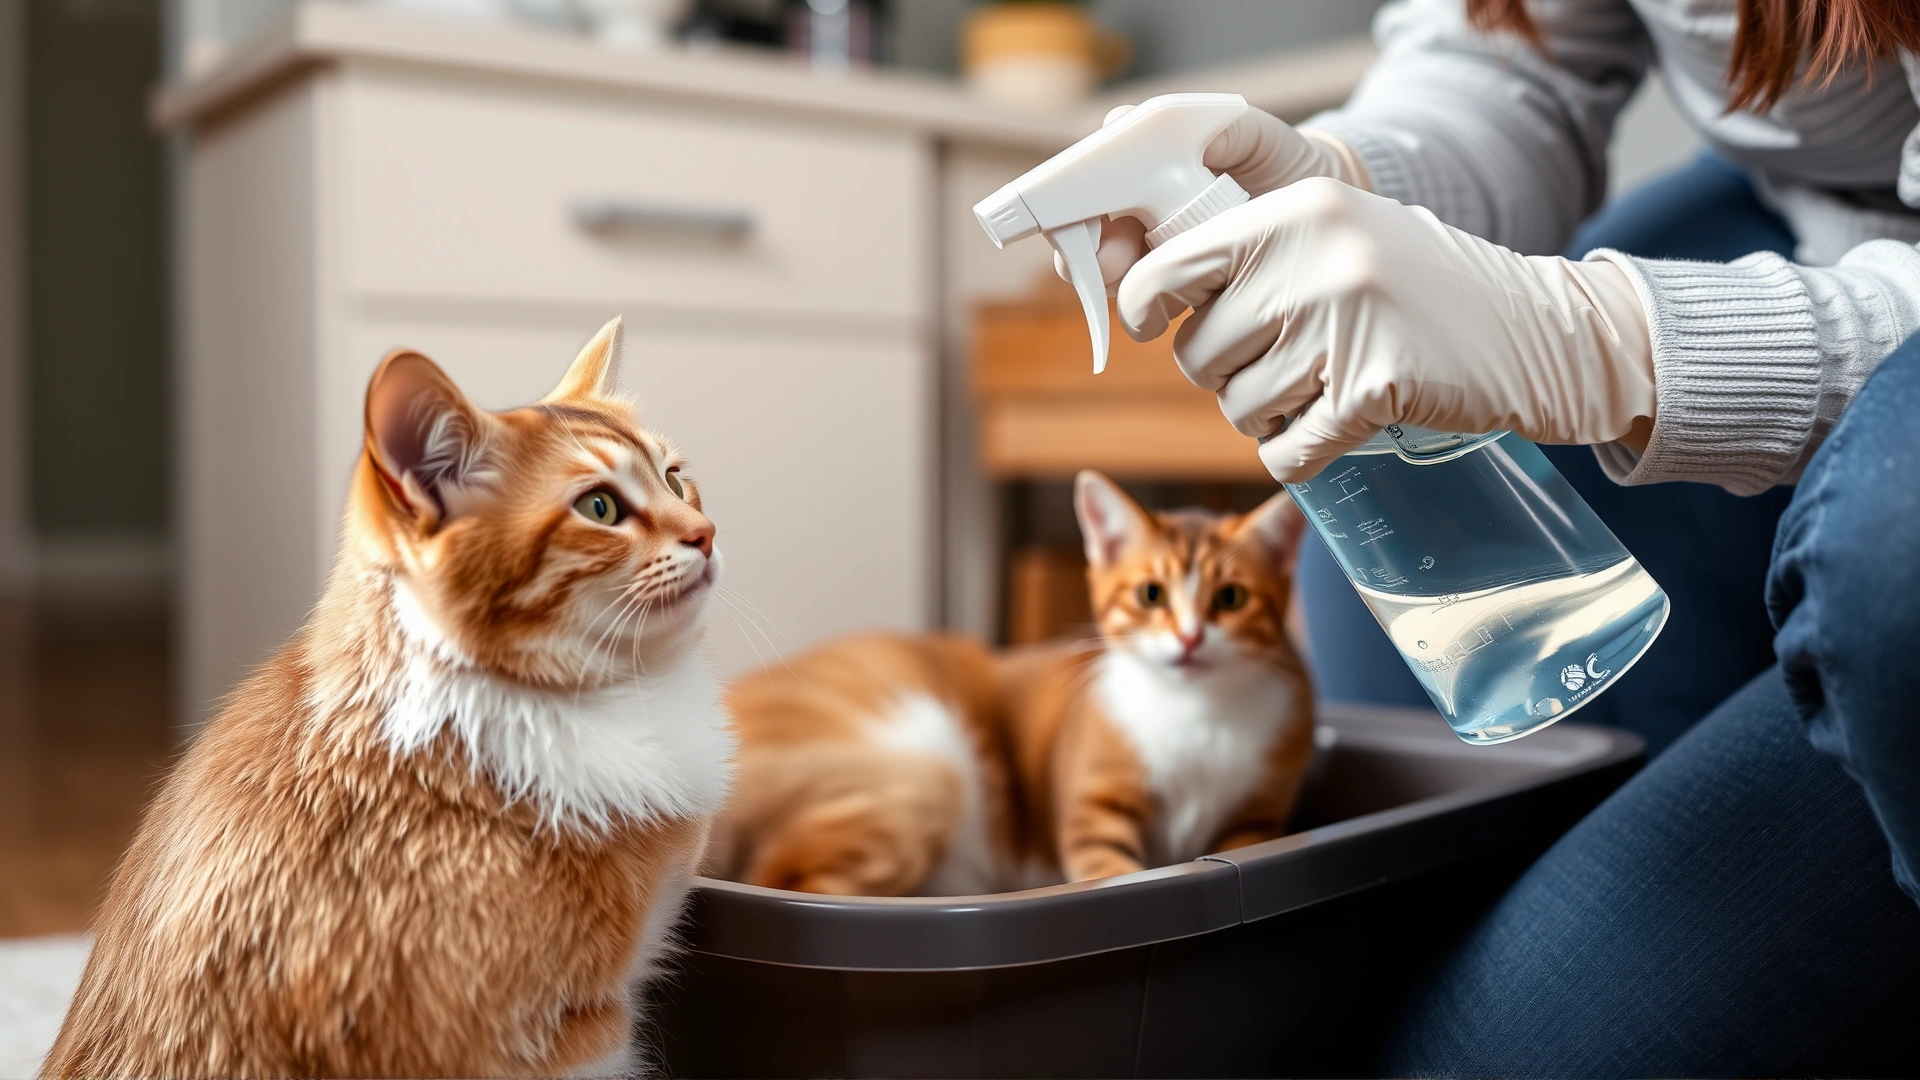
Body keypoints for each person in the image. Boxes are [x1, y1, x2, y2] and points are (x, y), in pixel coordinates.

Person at [1073, 0, 1920, 1073]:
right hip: (1828, 219)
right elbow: (1512, 63)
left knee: (1889, 565)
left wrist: (1614, 345)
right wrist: (1339, 175)